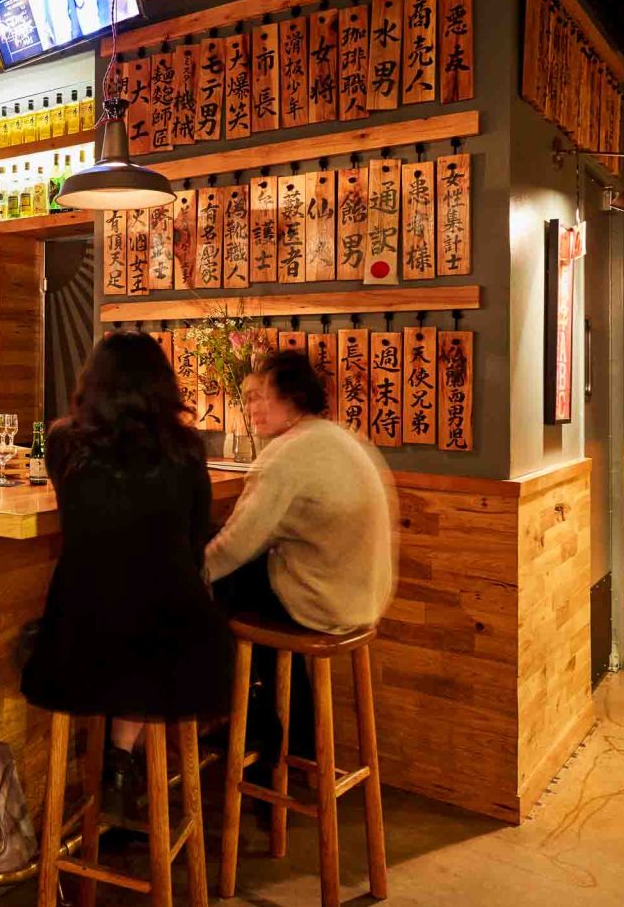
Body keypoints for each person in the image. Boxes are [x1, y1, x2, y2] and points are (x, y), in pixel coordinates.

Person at [21, 330, 232, 817]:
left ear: (91, 385)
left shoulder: (62, 443)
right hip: (177, 647)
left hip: (78, 643)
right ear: (162, 387)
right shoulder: (187, 449)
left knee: (114, 615)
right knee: (151, 620)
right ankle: (120, 759)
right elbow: (197, 535)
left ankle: (117, 762)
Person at [202, 349, 398, 762]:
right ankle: (291, 734)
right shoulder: (336, 437)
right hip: (362, 600)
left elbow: (234, 544)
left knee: (222, 580)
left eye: (259, 396)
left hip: (322, 604)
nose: (250, 407)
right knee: (248, 577)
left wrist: (188, 575)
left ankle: (249, 722)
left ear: (288, 395)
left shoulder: (286, 455)